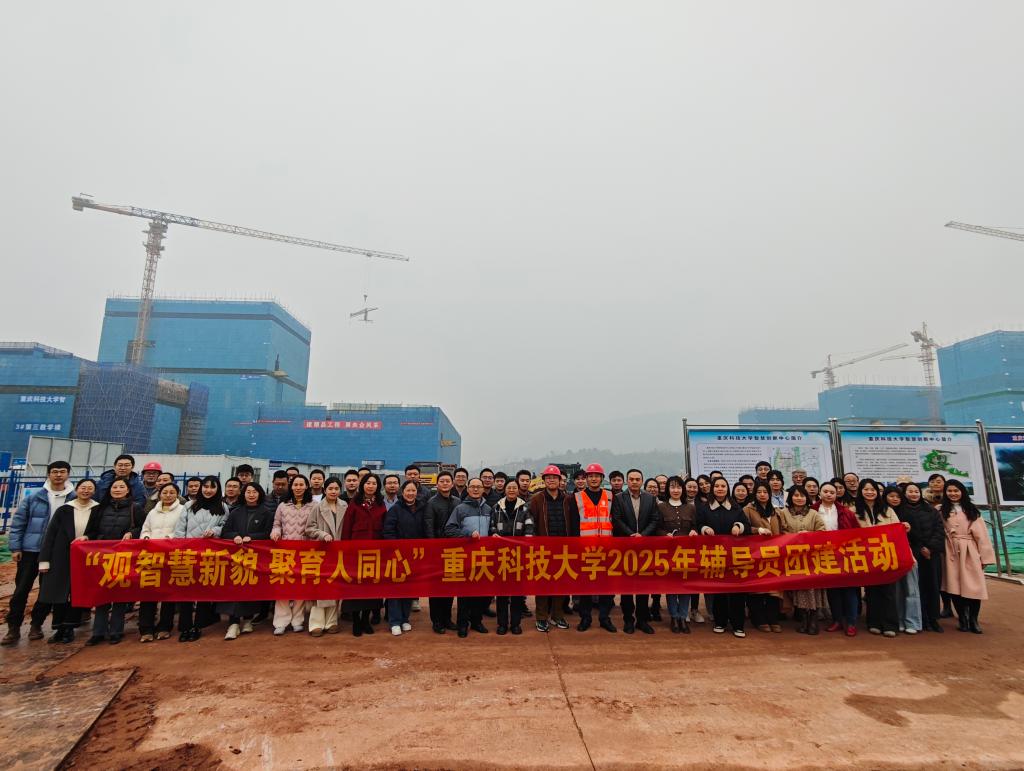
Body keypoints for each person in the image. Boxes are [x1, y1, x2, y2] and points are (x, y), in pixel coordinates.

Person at [2, 460, 75, 645]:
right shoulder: (34, 497)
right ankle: (13, 627)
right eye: (55, 471)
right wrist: (16, 547)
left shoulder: (73, 499)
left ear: (68, 474)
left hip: (56, 553)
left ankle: (37, 624)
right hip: (31, 550)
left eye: (62, 471)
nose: (58, 475)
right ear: (48, 474)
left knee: (47, 591)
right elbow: (18, 523)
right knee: (21, 589)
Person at [37, 478, 99, 644]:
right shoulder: (64, 509)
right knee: (59, 593)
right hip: (60, 557)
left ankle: (70, 628)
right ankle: (58, 628)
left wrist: (88, 537)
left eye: (90, 488)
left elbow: (98, 531)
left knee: (77, 593)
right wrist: (44, 560)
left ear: (94, 491)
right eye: (83, 487)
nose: (86, 491)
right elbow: (50, 535)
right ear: (76, 489)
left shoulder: (97, 509)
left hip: (85, 558)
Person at [84, 479, 141, 645]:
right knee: (102, 593)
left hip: (124, 556)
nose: (118, 489)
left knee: (120, 594)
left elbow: (141, 527)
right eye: (115, 487)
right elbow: (91, 530)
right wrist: (86, 537)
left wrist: (132, 533)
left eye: (122, 487)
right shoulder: (99, 508)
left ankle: (116, 630)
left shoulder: (135, 508)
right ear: (109, 490)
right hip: (102, 556)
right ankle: (98, 632)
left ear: (128, 490)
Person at [174, 476, 229, 641]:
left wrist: (215, 531)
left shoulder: (223, 507)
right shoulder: (189, 505)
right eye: (205, 486)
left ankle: (198, 625)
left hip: (209, 555)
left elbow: (225, 526)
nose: (208, 490)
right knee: (186, 592)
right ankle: (185, 627)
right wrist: (180, 549)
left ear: (217, 489)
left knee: (203, 592)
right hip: (188, 554)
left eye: (212, 487)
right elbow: (180, 529)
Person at [219, 482, 274, 639]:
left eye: (254, 492)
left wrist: (252, 537)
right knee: (235, 588)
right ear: (243, 494)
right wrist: (235, 536)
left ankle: (248, 620)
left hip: (255, 558)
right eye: (248, 491)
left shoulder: (267, 513)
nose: (251, 494)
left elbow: (268, 533)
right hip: (236, 557)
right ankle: (233, 623)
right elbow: (225, 531)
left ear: (260, 494)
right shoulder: (236, 512)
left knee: (251, 588)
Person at [566, 463, 616, 633]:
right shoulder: (577, 498)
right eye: (590, 476)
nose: (594, 479)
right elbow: (574, 524)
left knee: (606, 586)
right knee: (585, 586)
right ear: (586, 479)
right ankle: (585, 618)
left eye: (597, 476)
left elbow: (615, 520)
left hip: (606, 549)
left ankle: (604, 618)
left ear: (602, 478)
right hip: (585, 550)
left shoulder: (610, 496)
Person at [940, 480, 995, 634]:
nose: (953, 493)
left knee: (974, 586)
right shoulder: (941, 510)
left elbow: (982, 536)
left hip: (969, 551)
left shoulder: (971, 510)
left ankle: (973, 620)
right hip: (949, 551)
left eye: (956, 490)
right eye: (949, 491)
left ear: (962, 492)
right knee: (954, 586)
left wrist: (984, 557)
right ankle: (962, 619)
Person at [696, 477, 748, 638]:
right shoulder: (705, 508)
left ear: (727, 488)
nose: (720, 488)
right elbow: (698, 524)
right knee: (719, 590)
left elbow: (746, 525)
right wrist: (704, 528)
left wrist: (738, 526)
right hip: (715, 555)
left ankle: (738, 625)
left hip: (734, 555)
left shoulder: (735, 507)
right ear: (712, 489)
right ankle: (720, 622)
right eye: (717, 486)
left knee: (737, 591)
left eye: (723, 486)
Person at [612, 469, 660, 634]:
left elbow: (655, 519)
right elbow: (617, 519)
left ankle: (642, 620)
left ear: (642, 481)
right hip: (626, 547)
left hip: (644, 548)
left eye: (637, 479)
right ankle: (628, 620)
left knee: (643, 585)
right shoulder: (619, 498)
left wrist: (643, 535)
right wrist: (631, 535)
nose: (634, 482)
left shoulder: (650, 498)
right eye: (631, 479)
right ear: (627, 481)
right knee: (626, 586)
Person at [853, 479, 902, 637]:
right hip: (866, 555)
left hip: (886, 553)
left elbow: (897, 530)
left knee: (888, 590)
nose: (869, 492)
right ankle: (873, 622)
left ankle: (890, 624)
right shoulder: (854, 510)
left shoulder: (888, 510)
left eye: (872, 489)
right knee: (871, 591)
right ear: (861, 491)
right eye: (866, 489)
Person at [340, 473, 387, 636]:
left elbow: (385, 528)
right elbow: (347, 527)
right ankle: (356, 621)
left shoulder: (381, 504)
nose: (371, 486)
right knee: (355, 588)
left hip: (374, 553)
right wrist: (346, 549)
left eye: (374, 483)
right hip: (356, 552)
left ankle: (366, 620)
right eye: (368, 483)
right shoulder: (354, 503)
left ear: (378, 486)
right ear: (363, 485)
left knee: (371, 589)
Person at [444, 478, 492, 636]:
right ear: (468, 489)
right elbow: (449, 529)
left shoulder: (488, 509)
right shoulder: (460, 509)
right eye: (473, 487)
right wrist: (468, 534)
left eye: (479, 487)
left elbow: (491, 530)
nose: (476, 489)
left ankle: (477, 621)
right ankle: (462, 624)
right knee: (464, 593)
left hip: (483, 557)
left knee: (480, 592)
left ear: (483, 489)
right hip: (465, 556)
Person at [137, 482, 184, 641]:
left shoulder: (182, 510)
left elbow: (181, 530)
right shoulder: (152, 512)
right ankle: (146, 628)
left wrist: (168, 540)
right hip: (151, 555)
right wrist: (146, 538)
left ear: (177, 495)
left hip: (171, 555)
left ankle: (165, 626)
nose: (168, 495)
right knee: (148, 591)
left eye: (172, 492)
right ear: (160, 494)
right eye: (165, 492)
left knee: (168, 592)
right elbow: (145, 529)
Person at [269, 474, 315, 636]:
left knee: (300, 587)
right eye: (295, 484)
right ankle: (281, 621)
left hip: (304, 552)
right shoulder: (283, 505)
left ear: (307, 486)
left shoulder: (313, 506)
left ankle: (297, 620)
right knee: (283, 586)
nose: (298, 487)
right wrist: (275, 532)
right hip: (285, 551)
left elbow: (315, 526)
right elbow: (276, 524)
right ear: (291, 486)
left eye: (301, 484)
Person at [778, 485, 826, 634]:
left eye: (802, 495)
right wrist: (793, 537)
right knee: (798, 589)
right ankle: (804, 620)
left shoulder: (813, 513)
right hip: (793, 557)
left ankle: (813, 621)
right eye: (796, 495)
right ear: (790, 497)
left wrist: (809, 535)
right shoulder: (783, 513)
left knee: (813, 589)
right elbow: (780, 531)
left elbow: (822, 532)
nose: (799, 498)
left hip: (812, 558)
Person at [813, 482, 860, 636]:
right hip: (824, 554)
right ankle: (837, 620)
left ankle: (851, 622)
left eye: (832, 492)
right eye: (825, 491)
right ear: (820, 493)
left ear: (836, 494)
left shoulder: (846, 512)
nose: (829, 494)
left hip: (845, 554)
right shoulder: (812, 510)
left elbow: (857, 532)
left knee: (849, 589)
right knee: (833, 590)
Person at [382, 480, 428, 636]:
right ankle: (394, 621)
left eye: (413, 491)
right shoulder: (395, 509)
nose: (410, 493)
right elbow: (388, 531)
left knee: (409, 588)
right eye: (408, 490)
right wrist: (398, 548)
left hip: (414, 556)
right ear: (402, 492)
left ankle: (404, 619)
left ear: (417, 493)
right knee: (395, 589)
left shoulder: (422, 508)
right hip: (397, 556)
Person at [898, 482, 946, 633]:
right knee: (915, 587)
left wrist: (930, 547)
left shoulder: (931, 510)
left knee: (932, 587)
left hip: (931, 555)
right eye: (910, 491)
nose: (913, 494)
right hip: (912, 554)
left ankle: (933, 619)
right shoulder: (900, 510)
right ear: (904, 493)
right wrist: (919, 547)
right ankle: (920, 618)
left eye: (916, 491)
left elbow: (939, 530)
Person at [529, 465, 572, 633]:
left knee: (561, 584)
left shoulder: (568, 499)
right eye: (548, 478)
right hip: (543, 549)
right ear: (544, 480)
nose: (551, 480)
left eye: (555, 477)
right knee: (543, 583)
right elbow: (531, 522)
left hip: (563, 549)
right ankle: (541, 618)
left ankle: (557, 615)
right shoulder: (536, 499)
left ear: (560, 480)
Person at [305, 477, 348, 637]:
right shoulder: (317, 507)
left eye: (336, 489)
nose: (333, 491)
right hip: (322, 552)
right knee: (321, 586)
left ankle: (332, 621)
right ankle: (316, 623)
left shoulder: (345, 506)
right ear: (325, 490)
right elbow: (309, 528)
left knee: (334, 586)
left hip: (338, 552)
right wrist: (322, 534)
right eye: (330, 489)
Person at [489, 479, 533, 635]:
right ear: (505, 490)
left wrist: (524, 544)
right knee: (501, 592)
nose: (512, 490)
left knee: (517, 592)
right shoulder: (496, 508)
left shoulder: (525, 508)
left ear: (518, 490)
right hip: (500, 556)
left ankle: (515, 624)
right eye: (509, 487)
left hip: (518, 556)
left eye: (514, 487)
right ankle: (502, 624)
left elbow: (529, 529)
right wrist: (493, 534)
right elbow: (492, 527)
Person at [657, 475, 696, 633]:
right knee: (672, 585)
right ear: (668, 489)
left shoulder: (690, 508)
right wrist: (664, 534)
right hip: (669, 553)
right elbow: (657, 528)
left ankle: (683, 616)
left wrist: (694, 530)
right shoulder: (661, 507)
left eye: (679, 487)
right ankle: (674, 616)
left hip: (687, 553)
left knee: (685, 585)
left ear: (683, 489)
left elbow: (696, 525)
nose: (676, 490)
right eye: (672, 487)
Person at [743, 481, 783, 633]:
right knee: (757, 589)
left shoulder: (776, 511)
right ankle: (759, 619)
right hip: (756, 555)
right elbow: (744, 527)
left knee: (774, 590)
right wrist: (757, 530)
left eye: (765, 492)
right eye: (759, 492)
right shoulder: (748, 509)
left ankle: (773, 619)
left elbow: (783, 529)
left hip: (774, 555)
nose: (762, 495)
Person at [424, 471, 460, 634]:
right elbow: (428, 526)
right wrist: (433, 549)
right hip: (437, 551)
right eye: (442, 481)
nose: (445, 484)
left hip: (454, 550)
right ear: (437, 484)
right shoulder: (431, 503)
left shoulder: (457, 502)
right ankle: (436, 621)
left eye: (447, 481)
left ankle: (447, 618)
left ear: (452, 484)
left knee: (450, 586)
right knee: (436, 588)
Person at [884, 485, 921, 635]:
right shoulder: (883, 512)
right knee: (896, 590)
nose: (895, 499)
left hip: (907, 554)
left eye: (898, 497)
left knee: (911, 589)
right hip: (889, 555)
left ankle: (913, 622)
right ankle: (899, 620)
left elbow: (918, 536)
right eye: (891, 496)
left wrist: (908, 530)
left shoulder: (909, 513)